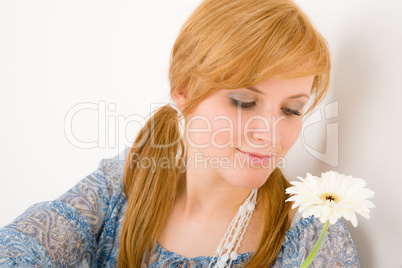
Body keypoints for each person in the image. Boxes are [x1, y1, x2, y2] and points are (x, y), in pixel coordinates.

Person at [0, 0, 360, 267]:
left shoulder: (311, 236)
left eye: (291, 110)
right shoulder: (122, 183)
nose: (269, 134)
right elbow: (18, 246)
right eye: (244, 102)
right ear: (184, 89)